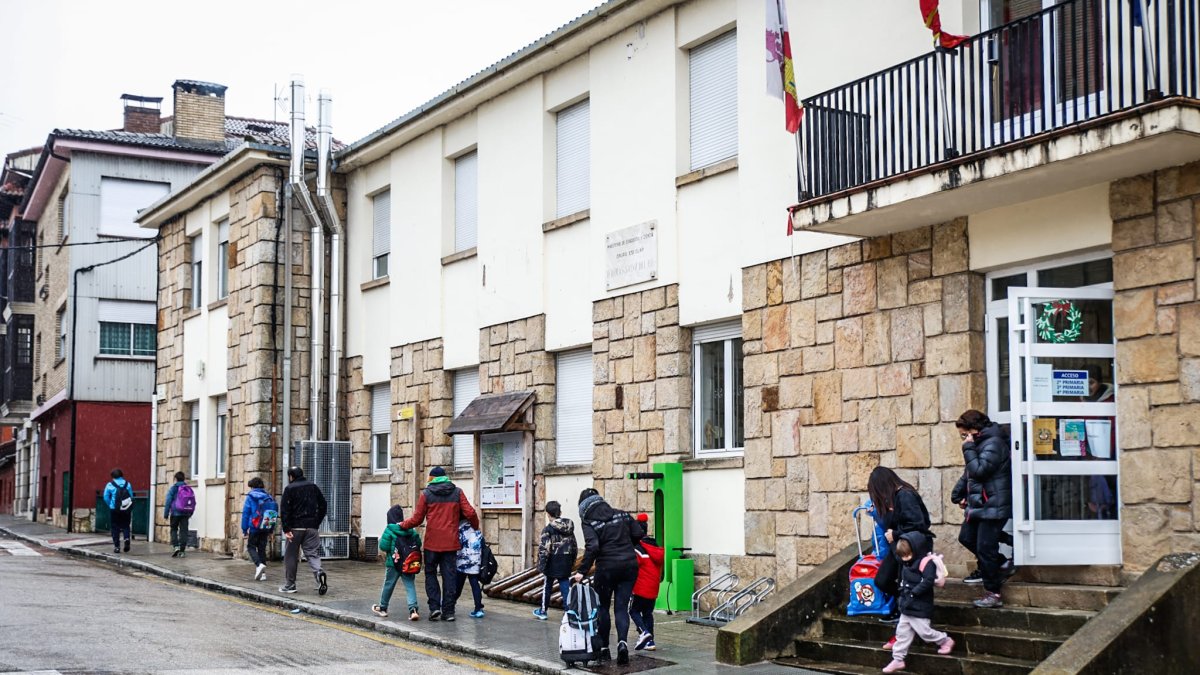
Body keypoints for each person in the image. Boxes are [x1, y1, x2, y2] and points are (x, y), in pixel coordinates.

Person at [571, 487, 646, 666]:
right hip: (629, 566)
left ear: (583, 507)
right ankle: (622, 643)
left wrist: (581, 571)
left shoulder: (589, 522)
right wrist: (626, 546)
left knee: (603, 607)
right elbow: (638, 533)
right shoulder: (622, 515)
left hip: (606, 568)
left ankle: (604, 648)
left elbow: (593, 547)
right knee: (621, 607)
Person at [400, 466, 479, 621]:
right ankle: (448, 612)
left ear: (431, 479)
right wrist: (475, 527)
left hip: (432, 543)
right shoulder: (457, 492)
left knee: (430, 574)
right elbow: (470, 512)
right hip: (450, 543)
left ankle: (435, 608)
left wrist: (402, 525)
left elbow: (417, 519)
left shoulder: (426, 494)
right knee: (449, 577)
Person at [952, 410, 1013, 609]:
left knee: (985, 548)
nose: (964, 439)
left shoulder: (993, 443)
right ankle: (1002, 563)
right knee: (967, 537)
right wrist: (958, 494)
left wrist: (968, 448)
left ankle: (993, 592)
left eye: (965, 434)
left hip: (994, 504)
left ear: (974, 429)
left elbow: (979, 471)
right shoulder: (980, 443)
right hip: (980, 504)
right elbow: (969, 474)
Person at [866, 466, 933, 633]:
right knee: (882, 580)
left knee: (906, 582)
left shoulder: (905, 495)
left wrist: (895, 534)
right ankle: (903, 606)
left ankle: (908, 612)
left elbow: (919, 524)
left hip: (911, 548)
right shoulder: (894, 498)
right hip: (898, 547)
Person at [881, 533, 954, 673]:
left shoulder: (926, 562)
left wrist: (914, 592)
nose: (905, 559)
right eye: (903, 556)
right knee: (902, 633)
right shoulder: (906, 563)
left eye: (907, 555)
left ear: (916, 550)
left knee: (925, 632)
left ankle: (945, 640)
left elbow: (928, 581)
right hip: (907, 605)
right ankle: (898, 659)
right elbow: (903, 576)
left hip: (920, 605)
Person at [279, 466, 328, 595]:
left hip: (295, 527)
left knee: (291, 555)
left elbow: (284, 510)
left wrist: (286, 528)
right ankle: (319, 573)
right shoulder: (313, 487)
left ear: (291, 476)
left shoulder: (289, 489)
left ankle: (290, 585)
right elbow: (323, 505)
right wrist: (316, 522)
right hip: (312, 527)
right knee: (312, 553)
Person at [374, 505, 422, 621]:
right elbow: (418, 543)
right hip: (408, 563)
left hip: (393, 563)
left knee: (388, 585)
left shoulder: (390, 529)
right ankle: (413, 610)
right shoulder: (410, 529)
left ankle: (383, 608)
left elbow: (383, 546)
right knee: (410, 585)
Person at [533, 500, 577, 621]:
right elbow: (574, 546)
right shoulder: (569, 527)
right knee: (565, 587)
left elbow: (544, 550)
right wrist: (572, 561)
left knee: (547, 587)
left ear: (547, 514)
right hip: (565, 561)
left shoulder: (548, 529)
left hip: (552, 562)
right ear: (560, 512)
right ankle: (568, 612)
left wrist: (541, 566)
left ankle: (543, 611)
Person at [630, 515, 664, 652]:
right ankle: (650, 642)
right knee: (648, 613)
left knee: (633, 611)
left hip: (641, 587)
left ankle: (644, 633)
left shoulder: (638, 549)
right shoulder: (655, 547)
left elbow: (632, 568)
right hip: (653, 587)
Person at [241, 477, 277, 581]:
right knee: (262, 549)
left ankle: (259, 565)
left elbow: (246, 514)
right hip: (265, 526)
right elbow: (272, 514)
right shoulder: (268, 497)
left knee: (251, 547)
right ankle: (263, 575)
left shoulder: (250, 497)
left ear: (252, 487)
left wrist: (244, 529)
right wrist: (271, 530)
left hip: (254, 526)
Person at [454, 519, 486, 618]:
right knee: (475, 584)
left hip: (462, 562)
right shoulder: (476, 530)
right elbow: (482, 545)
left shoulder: (459, 529)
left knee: (458, 585)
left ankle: (450, 604)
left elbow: (457, 545)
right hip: (475, 561)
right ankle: (478, 608)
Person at [162, 471, 193, 557]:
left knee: (174, 529)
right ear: (184, 479)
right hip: (185, 513)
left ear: (175, 479)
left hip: (175, 513)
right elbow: (192, 501)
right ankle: (182, 550)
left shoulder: (173, 488)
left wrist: (166, 514)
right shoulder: (188, 488)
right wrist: (190, 513)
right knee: (184, 531)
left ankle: (176, 546)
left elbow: (168, 501)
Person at [104, 469, 135, 554]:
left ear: (113, 476)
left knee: (115, 527)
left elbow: (106, 497)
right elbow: (131, 496)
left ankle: (117, 546)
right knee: (126, 525)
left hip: (114, 509)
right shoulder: (128, 484)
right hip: (126, 508)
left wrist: (111, 505)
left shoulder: (110, 485)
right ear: (122, 475)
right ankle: (126, 539)